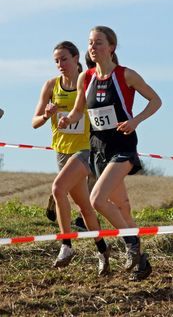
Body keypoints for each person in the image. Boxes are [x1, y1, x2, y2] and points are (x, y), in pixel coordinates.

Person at [59, 26, 162, 281]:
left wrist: (136, 120)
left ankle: (131, 244)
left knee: (97, 199)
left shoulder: (126, 75)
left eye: (98, 43)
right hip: (98, 149)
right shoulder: (87, 77)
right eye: (90, 43)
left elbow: (156, 100)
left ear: (112, 47)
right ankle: (142, 261)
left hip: (123, 147)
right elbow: (78, 111)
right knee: (122, 207)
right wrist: (66, 120)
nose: (93, 48)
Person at [32, 41, 110, 274]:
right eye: (56, 60)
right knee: (85, 208)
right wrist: (46, 116)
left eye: (64, 59)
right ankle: (103, 250)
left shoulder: (88, 82)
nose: (60, 65)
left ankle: (66, 244)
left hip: (84, 149)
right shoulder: (50, 85)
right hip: (62, 152)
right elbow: (34, 122)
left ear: (76, 58)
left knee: (58, 189)